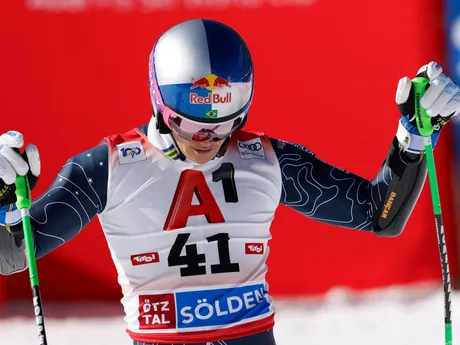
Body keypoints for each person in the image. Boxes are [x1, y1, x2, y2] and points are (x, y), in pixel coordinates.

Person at [0, 18, 459, 345]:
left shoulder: (266, 159)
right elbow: (14, 255)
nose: (207, 138)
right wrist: (3, 202)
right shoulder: (107, 166)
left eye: (223, 124)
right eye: (190, 122)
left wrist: (412, 141)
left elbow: (376, 214)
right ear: (158, 100)